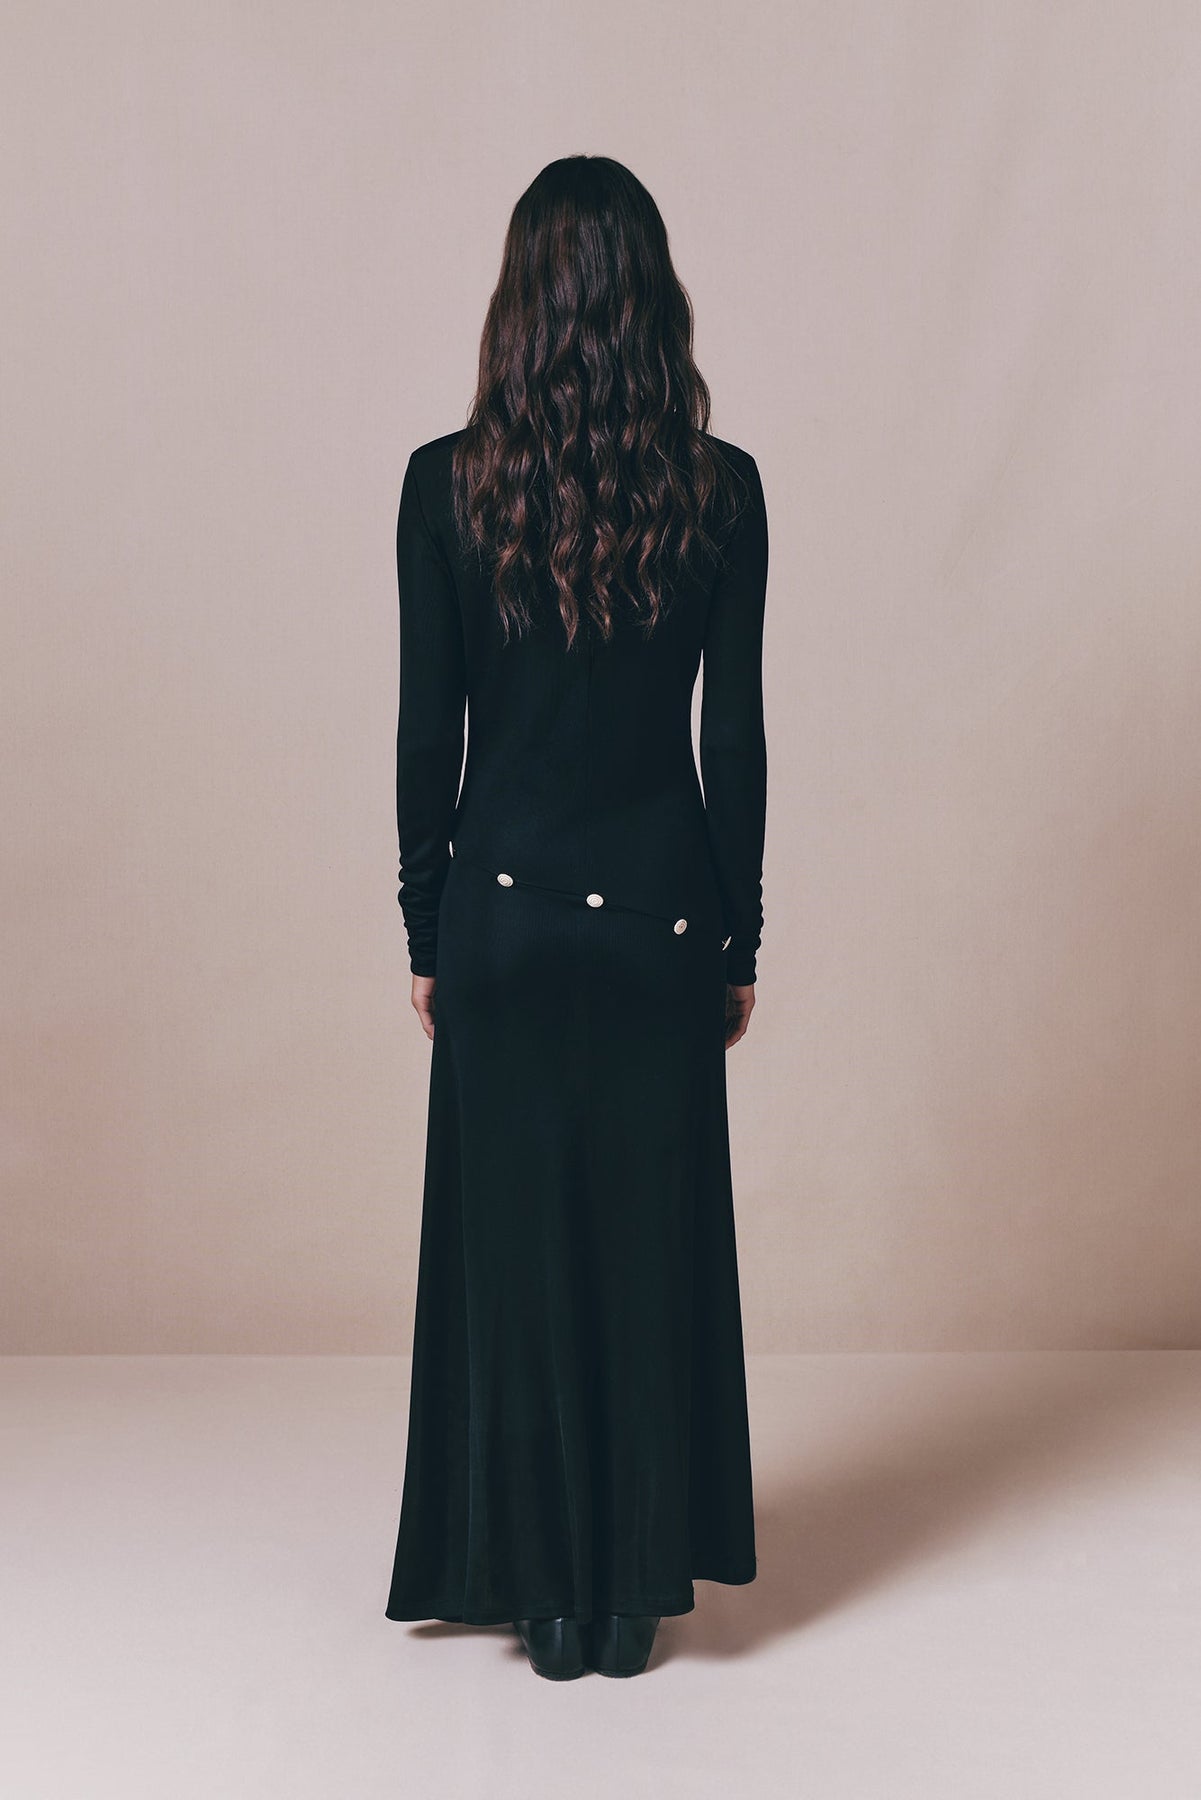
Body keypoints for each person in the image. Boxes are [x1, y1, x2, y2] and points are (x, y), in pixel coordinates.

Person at [383, 154, 769, 1682]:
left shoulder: (444, 484)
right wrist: (737, 937)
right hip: (660, 923)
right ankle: (628, 1597)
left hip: (500, 920)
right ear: (655, 301)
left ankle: (545, 1598)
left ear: (517, 304)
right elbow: (730, 739)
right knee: (644, 1249)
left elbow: (429, 733)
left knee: (521, 1254)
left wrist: (425, 928)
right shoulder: (720, 489)